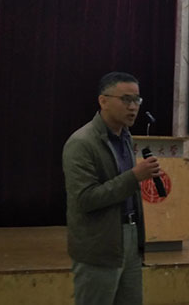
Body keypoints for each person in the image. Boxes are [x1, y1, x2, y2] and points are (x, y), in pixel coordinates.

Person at [62, 72, 161, 305]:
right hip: (98, 244)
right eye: (125, 99)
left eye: (136, 100)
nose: (133, 107)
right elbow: (85, 199)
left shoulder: (125, 137)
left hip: (130, 239)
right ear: (103, 101)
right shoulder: (81, 143)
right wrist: (134, 177)